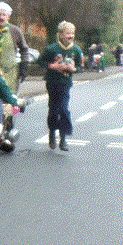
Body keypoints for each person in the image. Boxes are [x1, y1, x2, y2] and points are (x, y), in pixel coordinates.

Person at [37, 20, 84, 151]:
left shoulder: (76, 50)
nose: (71, 36)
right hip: (52, 82)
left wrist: (74, 69)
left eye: (73, 33)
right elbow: (40, 61)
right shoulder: (52, 49)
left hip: (65, 83)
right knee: (53, 109)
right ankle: (52, 132)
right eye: (68, 33)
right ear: (61, 35)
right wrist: (52, 66)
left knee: (63, 109)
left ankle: (63, 138)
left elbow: (80, 67)